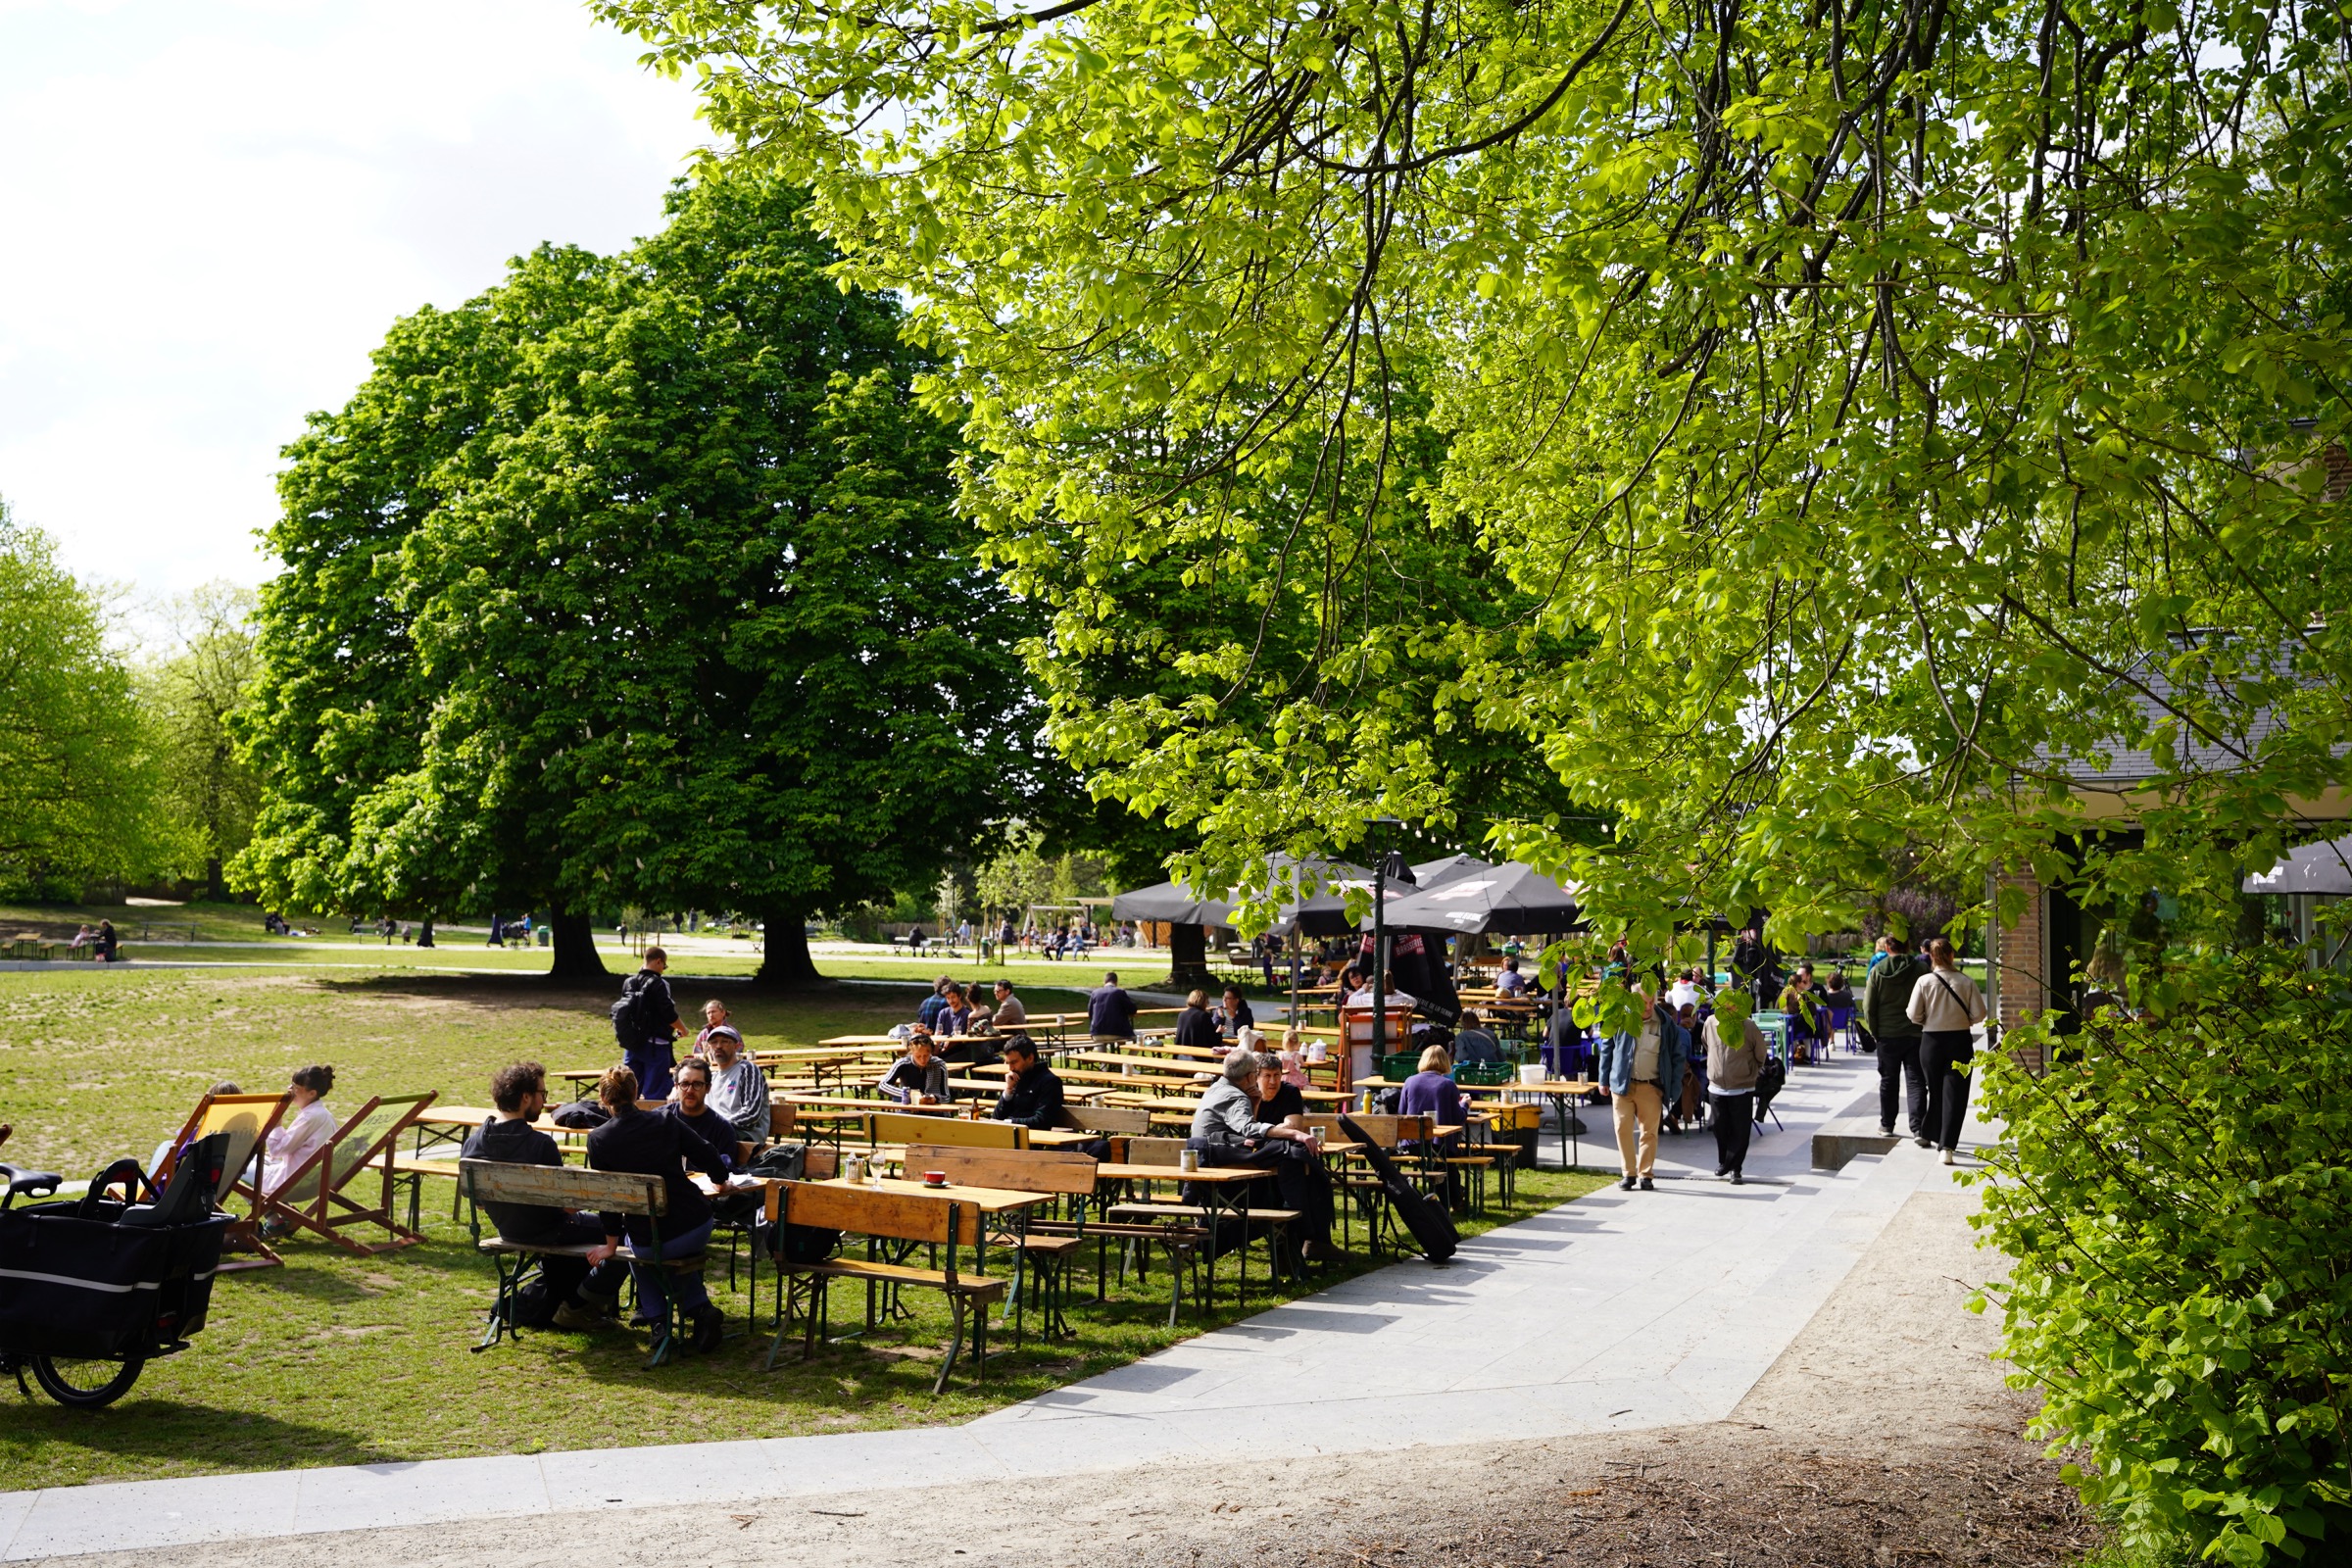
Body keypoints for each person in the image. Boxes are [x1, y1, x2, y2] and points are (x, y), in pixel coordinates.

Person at [462, 1062, 622, 1329]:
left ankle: (563, 1300)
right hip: (551, 1230)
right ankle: (578, 1305)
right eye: (542, 1094)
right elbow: (565, 1208)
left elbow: (478, 1202)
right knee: (623, 1232)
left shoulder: (473, 1142)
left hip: (508, 1230)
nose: (544, 1101)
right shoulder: (540, 1144)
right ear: (526, 1097)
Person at [584, 1066, 727, 1355]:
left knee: (639, 1250)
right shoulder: (665, 1121)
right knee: (651, 1251)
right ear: (636, 1092)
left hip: (649, 1238)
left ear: (604, 1098)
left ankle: (660, 1323)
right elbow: (707, 1152)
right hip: (695, 1224)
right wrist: (721, 1179)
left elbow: (607, 1199)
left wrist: (610, 1245)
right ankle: (700, 1310)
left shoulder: (599, 1138)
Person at [1189, 1051, 1338, 1262]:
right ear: (1251, 1077)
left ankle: (1301, 1243)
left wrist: (1255, 1104)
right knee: (1295, 1161)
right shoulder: (1235, 1096)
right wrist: (1295, 1134)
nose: (1272, 1081)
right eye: (1262, 1074)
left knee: (1292, 1163)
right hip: (1222, 1169)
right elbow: (1248, 1128)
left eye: (1276, 1075)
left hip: (1210, 1162)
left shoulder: (1216, 1089)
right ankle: (1307, 1236)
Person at [1593, 985, 1688, 1192]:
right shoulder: (1620, 1017)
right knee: (1622, 1128)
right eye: (1644, 1002)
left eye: (1651, 1001)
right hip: (1622, 1084)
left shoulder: (1665, 1023)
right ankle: (1628, 1173)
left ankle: (1646, 1174)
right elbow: (1607, 1047)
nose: (1648, 1006)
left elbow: (1677, 1056)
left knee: (1649, 1132)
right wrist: (1603, 1079)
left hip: (1651, 1086)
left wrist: (1673, 1089)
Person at [1908, 937, 1987, 1164]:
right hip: (1959, 1039)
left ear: (1931, 956)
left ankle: (1933, 1133)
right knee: (1956, 1094)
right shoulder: (1966, 981)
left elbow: (1913, 1014)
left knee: (1935, 1092)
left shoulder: (1924, 982)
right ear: (1952, 955)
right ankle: (1947, 1146)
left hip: (1931, 1041)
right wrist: (1966, 1020)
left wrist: (1927, 1019)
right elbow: (1980, 1014)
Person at [1862, 935, 1932, 1143]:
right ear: (1908, 946)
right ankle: (1919, 1129)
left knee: (1888, 1081)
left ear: (1887, 947)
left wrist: (1875, 1031)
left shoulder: (1877, 971)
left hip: (1887, 1034)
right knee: (1917, 1081)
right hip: (1915, 1033)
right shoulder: (1921, 969)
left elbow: (1868, 1006)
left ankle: (1887, 1124)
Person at [1702, 992, 1772, 1183]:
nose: (1727, 1008)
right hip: (1717, 1086)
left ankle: (1735, 1168)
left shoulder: (1748, 1026)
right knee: (1719, 1127)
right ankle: (1724, 1162)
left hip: (1742, 1087)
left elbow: (1761, 1054)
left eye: (1731, 1005)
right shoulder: (1710, 1023)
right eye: (1723, 1005)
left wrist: (1750, 1071)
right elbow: (1707, 1045)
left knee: (1740, 1131)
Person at [616, 947, 686, 1101]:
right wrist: (683, 1029)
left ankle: (629, 1116)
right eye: (664, 966)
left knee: (629, 1092)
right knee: (654, 1093)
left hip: (632, 1044)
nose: (663, 969)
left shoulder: (629, 982)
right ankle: (653, 1116)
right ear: (659, 961)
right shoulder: (660, 983)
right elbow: (668, 1013)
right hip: (656, 1046)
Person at [261, 1064, 338, 1194]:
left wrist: (276, 1124)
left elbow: (276, 1150)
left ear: (312, 1093)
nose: (290, 1089)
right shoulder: (324, 1115)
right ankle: (271, 1207)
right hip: (314, 1180)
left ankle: (267, 1207)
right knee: (253, 1161)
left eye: (296, 1087)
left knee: (237, 1167)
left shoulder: (309, 1117)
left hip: (293, 1183)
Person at [696, 1017, 772, 1145]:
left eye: (725, 1041)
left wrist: (718, 1125)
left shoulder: (747, 1069)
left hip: (744, 1137)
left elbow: (751, 1114)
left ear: (736, 1046)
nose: (718, 1046)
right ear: (709, 1048)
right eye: (714, 1042)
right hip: (715, 1134)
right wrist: (676, 1089)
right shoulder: (712, 1077)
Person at [665, 1057, 742, 1171]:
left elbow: (726, 1172)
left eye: (697, 1084)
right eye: (684, 1084)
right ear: (676, 1087)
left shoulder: (721, 1129)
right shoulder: (661, 1119)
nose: (690, 1090)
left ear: (708, 1088)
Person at [1396, 1045, 1468, 1148]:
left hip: (1412, 1144)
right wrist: (1465, 1105)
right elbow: (1458, 1119)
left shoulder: (1409, 1081)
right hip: (1441, 1146)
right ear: (1445, 1061)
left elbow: (1401, 1114)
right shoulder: (1448, 1085)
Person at [991, 1036, 1066, 1128]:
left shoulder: (1050, 1082)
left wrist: (1009, 1122)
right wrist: (1008, 1091)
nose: (1011, 1068)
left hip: (1035, 1136)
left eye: (1014, 1062)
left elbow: (1042, 1121)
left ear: (1030, 1058)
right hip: (1011, 1134)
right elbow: (996, 1118)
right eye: (1008, 1063)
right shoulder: (1016, 1078)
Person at [880, 1034, 954, 1104]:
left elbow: (946, 1097)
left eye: (926, 1055)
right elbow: (882, 1086)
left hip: (933, 1110)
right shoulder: (903, 1063)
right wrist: (909, 1093)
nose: (922, 1060)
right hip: (908, 1108)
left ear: (931, 1052)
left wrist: (935, 1099)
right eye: (918, 1056)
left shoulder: (939, 1065)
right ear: (911, 1053)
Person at [1250, 1051, 1308, 1127]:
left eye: (1276, 1075)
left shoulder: (1290, 1092)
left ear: (1281, 1075)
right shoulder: (1249, 1093)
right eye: (1267, 1076)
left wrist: (1262, 1130)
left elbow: (1292, 1127)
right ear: (1256, 1078)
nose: (1273, 1081)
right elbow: (1245, 1127)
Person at [1087, 971, 1139, 1041]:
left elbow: (1090, 1012)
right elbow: (1132, 1009)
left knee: (1103, 1042)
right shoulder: (1119, 992)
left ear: (1104, 982)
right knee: (1139, 1037)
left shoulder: (1095, 993)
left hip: (1096, 1033)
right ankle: (1123, 1048)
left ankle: (1103, 1049)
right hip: (1117, 1033)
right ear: (1116, 982)